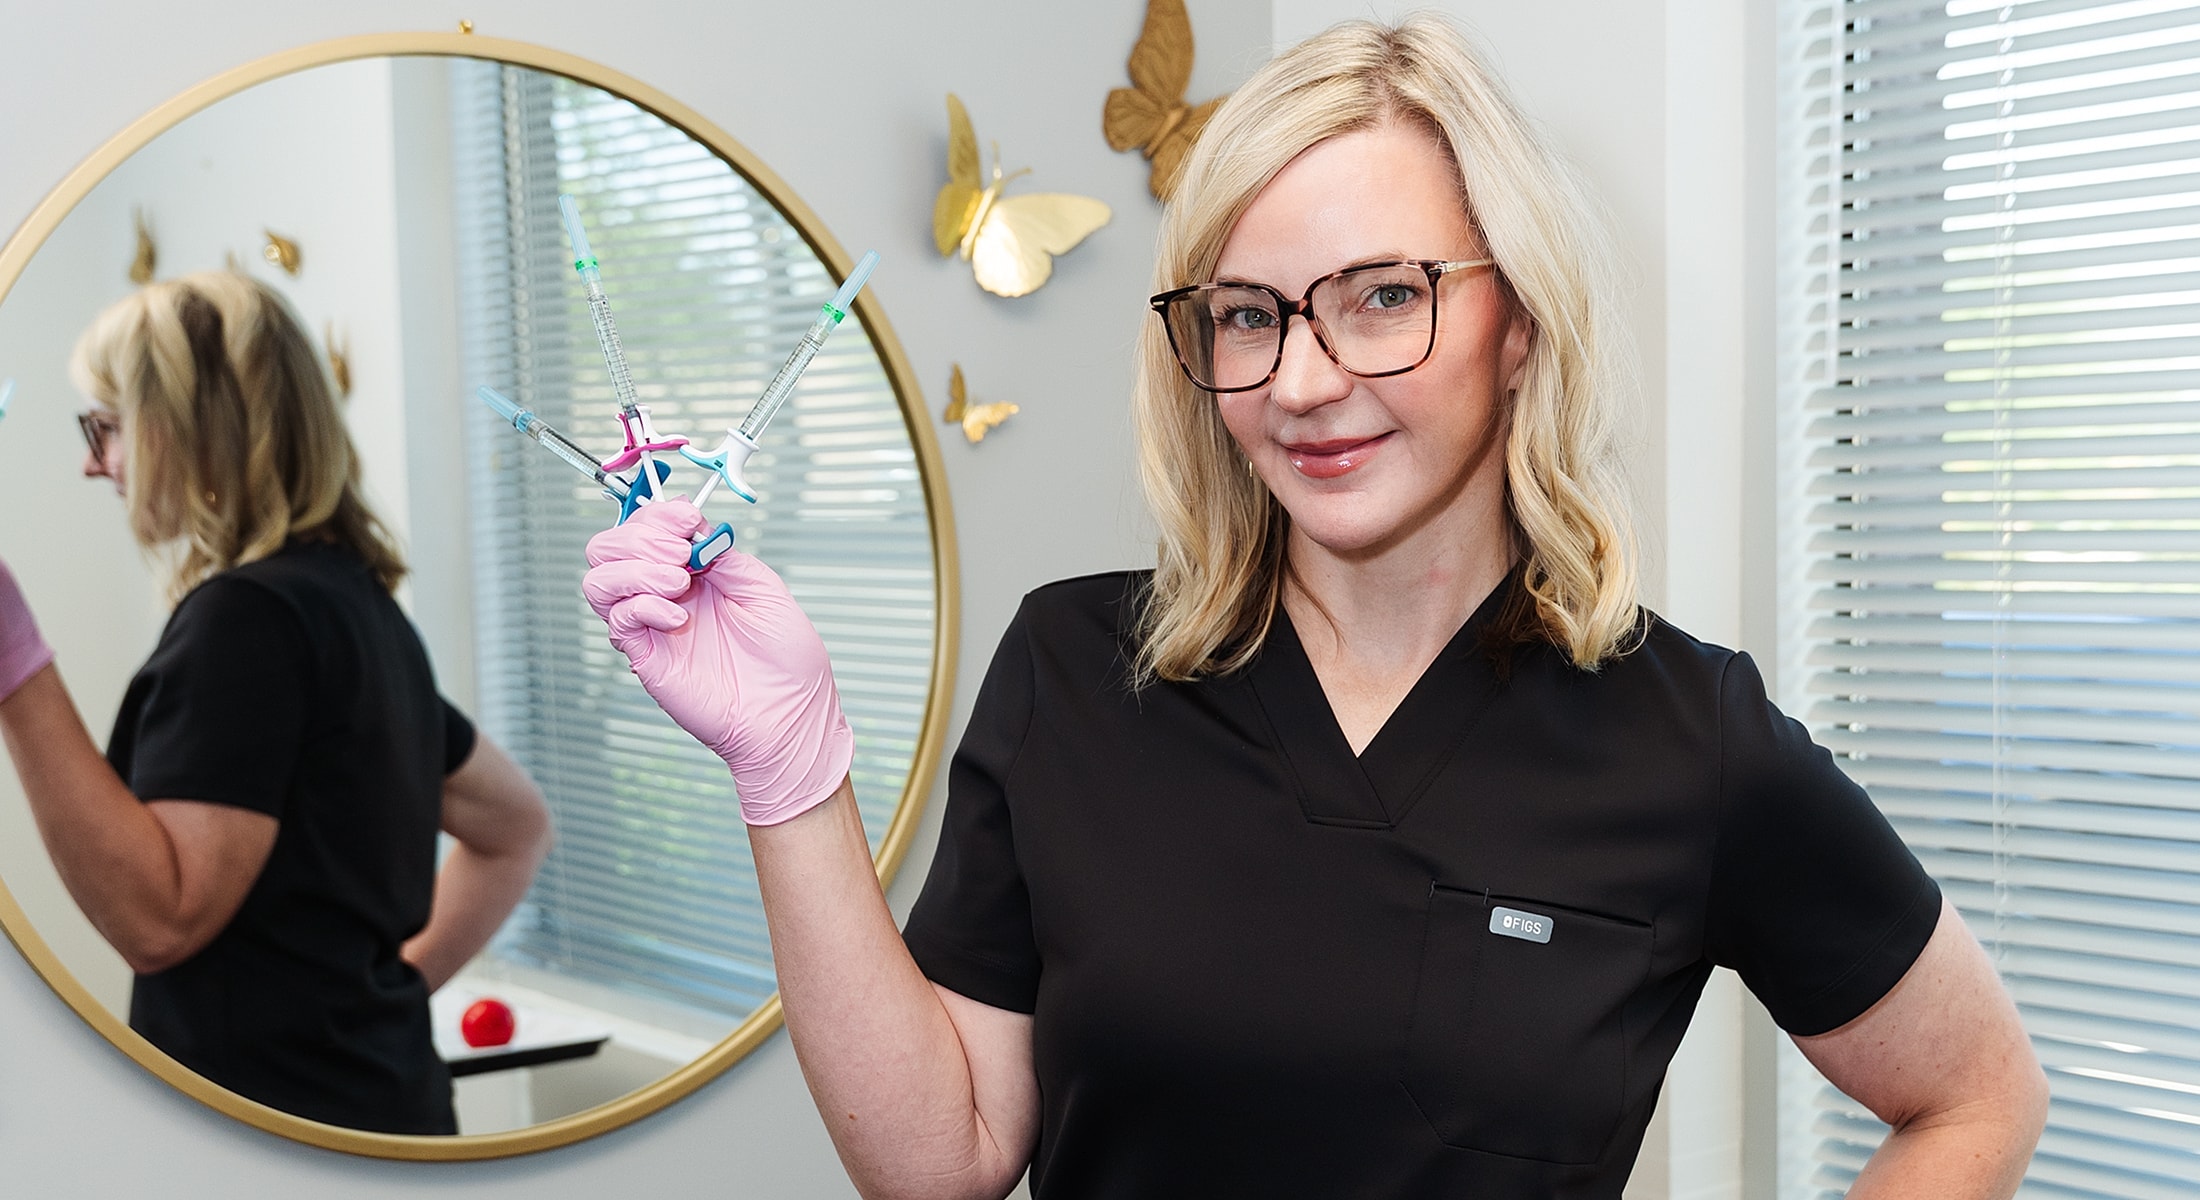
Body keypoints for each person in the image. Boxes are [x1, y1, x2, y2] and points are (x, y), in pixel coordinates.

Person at [578, 17, 2047, 1198]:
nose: (1299, 379)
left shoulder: (1689, 740)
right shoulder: (1074, 671)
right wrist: (788, 776)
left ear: (1517, 321)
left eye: (1381, 297)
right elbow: (941, 1162)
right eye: (1248, 313)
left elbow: (1976, 1093)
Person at [0, 271, 552, 1135]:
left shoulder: (247, 622)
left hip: (272, 1140)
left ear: (187, 429)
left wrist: (13, 655)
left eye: (106, 427)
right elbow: (517, 825)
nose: (92, 461)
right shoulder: (355, 605)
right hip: (378, 1108)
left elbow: (159, 920)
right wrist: (382, 995)